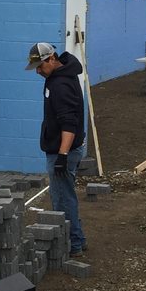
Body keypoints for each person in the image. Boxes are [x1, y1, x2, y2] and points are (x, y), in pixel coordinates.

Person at [25, 42, 86, 256]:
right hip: (62, 149)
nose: (38, 72)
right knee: (64, 195)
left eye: (40, 66)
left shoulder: (60, 85)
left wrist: (62, 155)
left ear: (51, 59)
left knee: (62, 198)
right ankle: (77, 239)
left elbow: (69, 122)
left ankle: (73, 245)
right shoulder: (58, 78)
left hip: (63, 152)